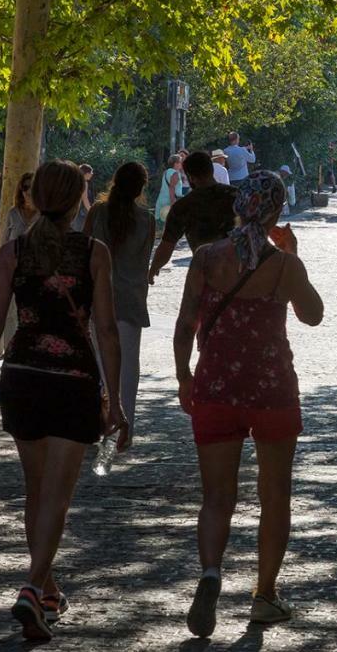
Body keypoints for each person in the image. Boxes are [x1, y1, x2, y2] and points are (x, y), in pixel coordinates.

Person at [0, 160, 124, 641]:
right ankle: (31, 587)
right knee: (58, 498)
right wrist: (118, 402)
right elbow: (105, 330)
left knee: (36, 491)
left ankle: (46, 591)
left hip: (21, 378)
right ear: (76, 200)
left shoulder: (13, 251)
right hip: (73, 382)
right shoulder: (94, 252)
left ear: (36, 198)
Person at [174, 171, 323, 636]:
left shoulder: (206, 258)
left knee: (217, 496)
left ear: (238, 206)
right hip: (272, 389)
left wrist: (184, 378)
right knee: (275, 494)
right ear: (277, 212)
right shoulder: (283, 265)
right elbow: (313, 315)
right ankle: (264, 594)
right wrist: (293, 255)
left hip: (216, 387)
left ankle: (211, 573)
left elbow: (184, 325)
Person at [84, 162, 155, 451]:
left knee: (98, 365)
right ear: (140, 188)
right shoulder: (147, 221)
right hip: (131, 298)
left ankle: (97, 424)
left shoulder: (97, 212)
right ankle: (125, 429)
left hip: (97, 297)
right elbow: (143, 261)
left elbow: (84, 251)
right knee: (128, 368)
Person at [148, 151, 239, 284]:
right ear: (211, 170)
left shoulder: (183, 207)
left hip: (206, 274)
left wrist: (154, 268)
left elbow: (167, 245)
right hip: (240, 271)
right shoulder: (237, 196)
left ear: (190, 176)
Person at [3, 173, 37, 245]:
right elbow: (4, 244)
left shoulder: (44, 215)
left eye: (33, 186)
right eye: (25, 187)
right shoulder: (12, 213)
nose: (29, 191)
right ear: (21, 190)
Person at [154, 155, 182, 225]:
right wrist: (173, 204)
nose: (181, 164)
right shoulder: (175, 174)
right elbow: (172, 188)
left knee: (160, 225)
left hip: (161, 200)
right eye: (180, 162)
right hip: (169, 201)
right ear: (175, 163)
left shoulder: (166, 172)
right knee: (170, 226)